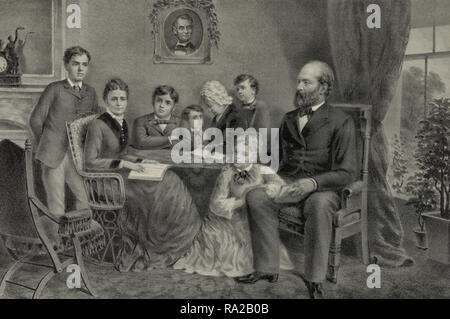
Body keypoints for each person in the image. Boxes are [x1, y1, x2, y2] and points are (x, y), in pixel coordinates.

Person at [237, 61, 357, 300]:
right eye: (299, 81)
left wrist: (312, 184)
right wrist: (270, 176)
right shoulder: (290, 118)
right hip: (289, 183)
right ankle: (267, 268)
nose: (299, 87)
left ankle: (314, 279)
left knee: (319, 205)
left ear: (323, 87)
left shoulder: (341, 121)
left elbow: (347, 173)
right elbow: (278, 160)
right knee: (256, 196)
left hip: (324, 189)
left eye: (306, 82)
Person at [84, 78, 202, 272]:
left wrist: (140, 161)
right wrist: (123, 163)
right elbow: (90, 162)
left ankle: (178, 242)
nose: (119, 103)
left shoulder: (120, 123)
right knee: (158, 189)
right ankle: (155, 246)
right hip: (105, 180)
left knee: (170, 179)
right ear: (106, 100)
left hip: (121, 173)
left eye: (123, 99)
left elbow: (123, 152)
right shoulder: (98, 125)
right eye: (114, 99)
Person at [173, 137, 293, 277]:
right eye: (236, 152)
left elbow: (281, 186)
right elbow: (216, 203)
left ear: (253, 156)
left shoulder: (263, 170)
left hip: (253, 215)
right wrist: (241, 201)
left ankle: (266, 266)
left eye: (244, 154)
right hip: (229, 216)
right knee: (222, 243)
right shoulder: (227, 172)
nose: (237, 156)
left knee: (261, 232)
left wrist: (264, 189)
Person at [29, 46, 100, 238]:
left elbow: (95, 121)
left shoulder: (90, 92)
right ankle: (56, 249)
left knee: (84, 201)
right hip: (53, 155)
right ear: (66, 65)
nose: (80, 69)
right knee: (56, 206)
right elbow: (35, 120)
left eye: (84, 64)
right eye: (75, 64)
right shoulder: (55, 89)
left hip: (77, 158)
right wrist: (45, 144)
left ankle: (80, 244)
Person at [132, 85, 181, 150]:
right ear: (153, 102)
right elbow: (141, 141)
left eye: (167, 103)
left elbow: (187, 144)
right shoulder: (141, 121)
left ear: (174, 107)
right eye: (159, 100)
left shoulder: (180, 123)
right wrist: (170, 139)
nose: (162, 105)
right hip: (147, 158)